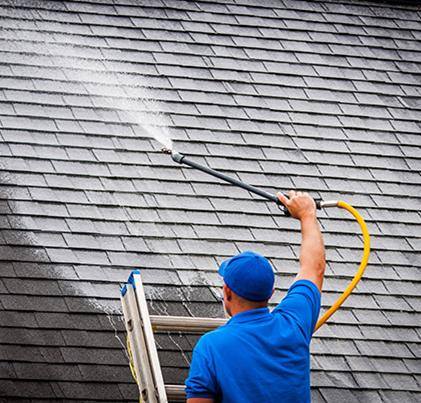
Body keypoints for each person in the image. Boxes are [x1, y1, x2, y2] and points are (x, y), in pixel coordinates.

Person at [185, 190, 326, 403]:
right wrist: (307, 214)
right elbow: (314, 268)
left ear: (227, 291)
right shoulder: (293, 324)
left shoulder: (211, 347)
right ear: (270, 293)